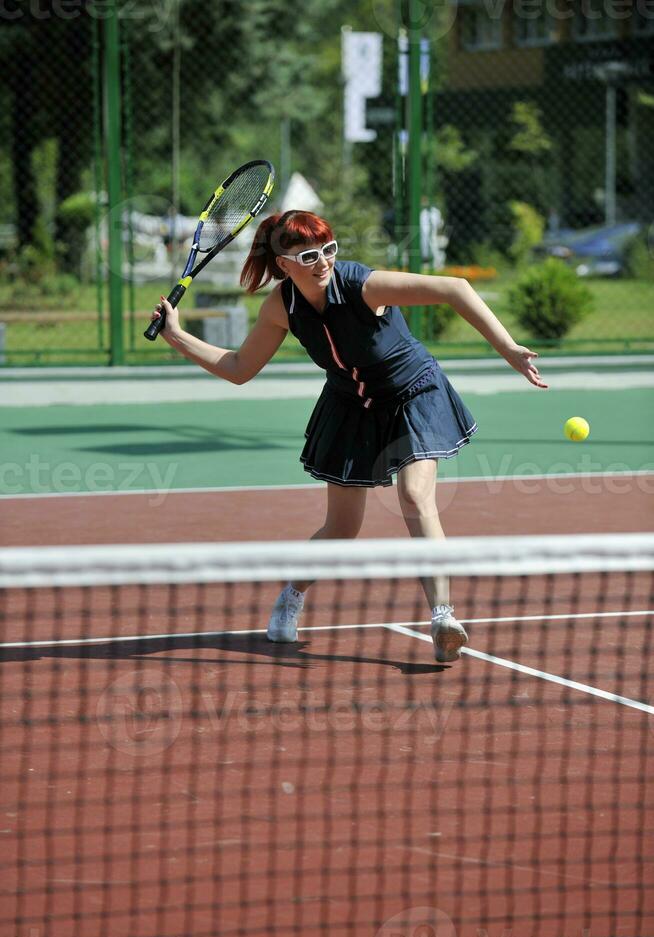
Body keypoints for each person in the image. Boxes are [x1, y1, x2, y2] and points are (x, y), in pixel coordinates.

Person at [152, 210, 547, 663]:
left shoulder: (363, 285)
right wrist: (178, 337)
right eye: (308, 255)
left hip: (410, 394)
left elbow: (455, 289)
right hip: (349, 405)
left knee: (416, 497)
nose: (323, 262)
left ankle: (442, 617)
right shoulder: (282, 306)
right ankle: (292, 595)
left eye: (329, 250)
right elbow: (240, 368)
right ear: (283, 263)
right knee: (343, 527)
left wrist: (509, 349)